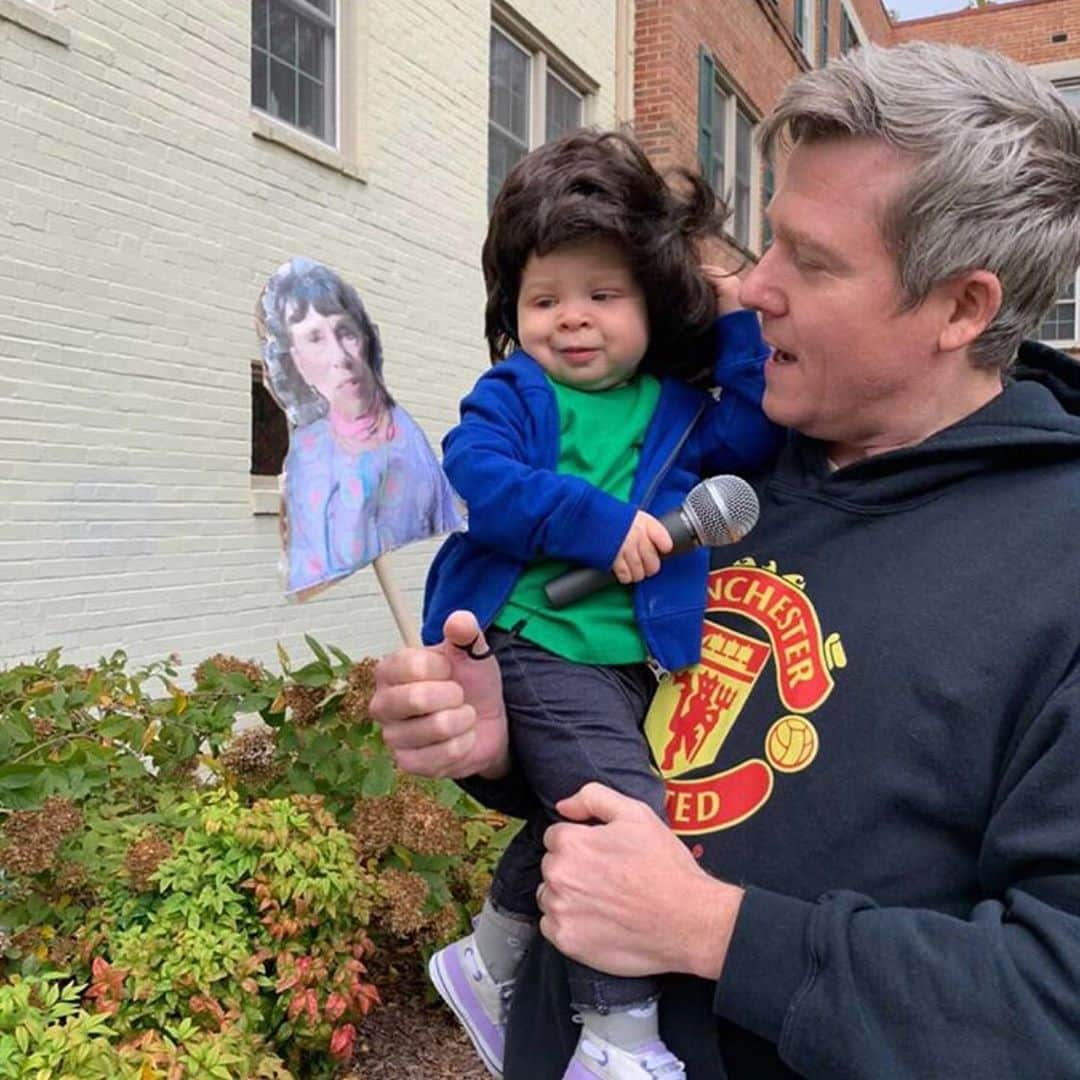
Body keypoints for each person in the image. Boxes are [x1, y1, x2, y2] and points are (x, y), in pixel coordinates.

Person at [373, 41, 1080, 1079]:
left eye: (814, 260)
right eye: (769, 242)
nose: (752, 286)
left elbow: (1055, 1000)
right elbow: (663, 773)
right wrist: (505, 744)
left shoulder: (1055, 562)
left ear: (963, 309)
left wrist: (711, 931)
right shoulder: (718, 458)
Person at [420, 130, 783, 1079]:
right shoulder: (518, 390)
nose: (571, 320)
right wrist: (594, 519)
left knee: (570, 803)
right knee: (620, 814)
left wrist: (739, 317)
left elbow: (750, 434)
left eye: (601, 296)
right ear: (514, 311)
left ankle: (490, 951)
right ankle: (616, 1034)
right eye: (544, 299)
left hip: (629, 658)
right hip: (537, 640)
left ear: (653, 307)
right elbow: (479, 475)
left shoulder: (676, 408)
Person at [257, 257, 460, 596]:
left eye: (345, 332)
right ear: (293, 361)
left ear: (365, 338)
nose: (339, 355)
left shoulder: (405, 435)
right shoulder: (309, 461)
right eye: (315, 338)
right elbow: (313, 570)